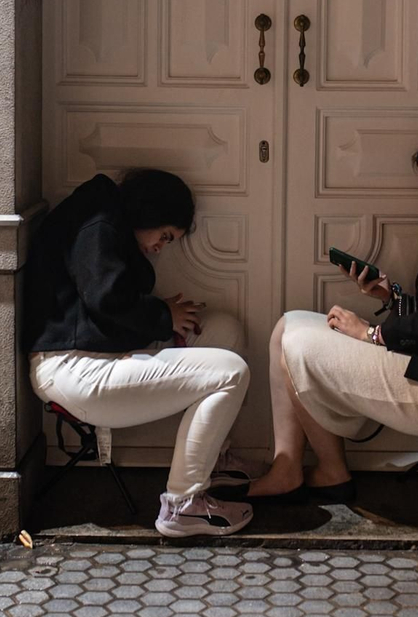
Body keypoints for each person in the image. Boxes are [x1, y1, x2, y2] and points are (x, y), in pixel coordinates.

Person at [246, 127, 418, 502]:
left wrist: (371, 334)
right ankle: (291, 466)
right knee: (289, 324)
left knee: (294, 340)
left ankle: (325, 472)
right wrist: (391, 296)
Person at [24, 169, 253, 537]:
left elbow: (101, 298)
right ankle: (183, 505)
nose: (161, 247)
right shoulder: (98, 220)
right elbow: (105, 298)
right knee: (231, 372)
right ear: (148, 212)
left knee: (223, 330)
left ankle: (214, 460)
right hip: (74, 369)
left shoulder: (108, 215)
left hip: (99, 354)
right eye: (164, 236)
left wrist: (164, 317)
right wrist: (163, 316)